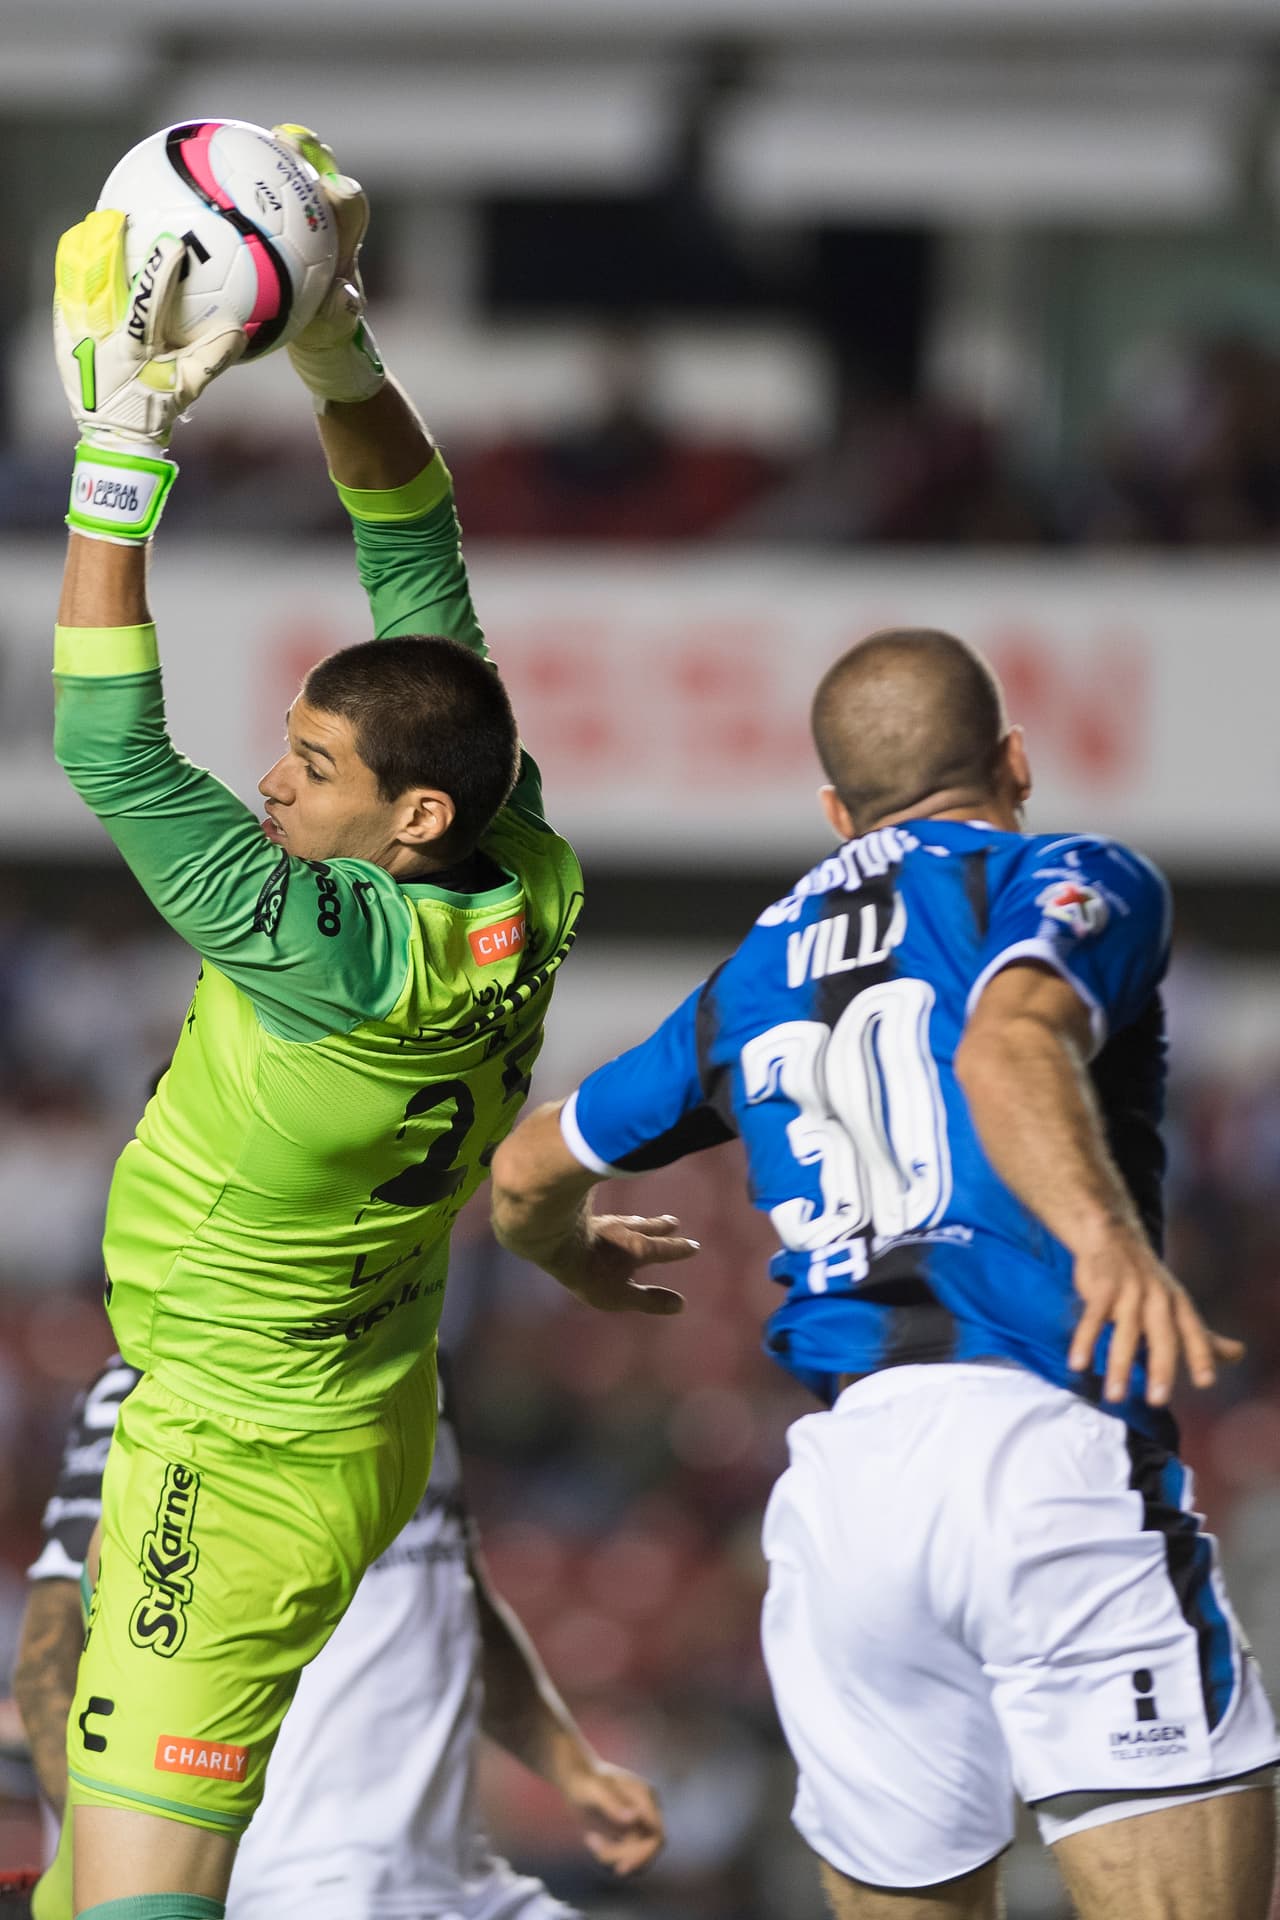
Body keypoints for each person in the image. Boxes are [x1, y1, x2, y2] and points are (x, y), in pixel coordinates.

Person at [488, 628, 1280, 1920]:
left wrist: (571, 1260)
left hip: (849, 1501)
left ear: (831, 813)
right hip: (1044, 1447)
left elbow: (524, 1175)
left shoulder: (750, 976)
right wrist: (1108, 1242)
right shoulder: (1069, 874)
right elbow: (1008, 1046)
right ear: (1015, 762)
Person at [49, 129, 583, 1919]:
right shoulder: (525, 865)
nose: (270, 787)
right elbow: (413, 551)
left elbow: (107, 749)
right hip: (374, 1416)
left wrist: (123, 449)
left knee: (133, 1900)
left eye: (313, 769)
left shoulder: (318, 949)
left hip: (232, 1449)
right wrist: (340, 345)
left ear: (408, 820)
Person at [14, 1355, 663, 1920]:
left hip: (462, 1879)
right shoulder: (154, 1377)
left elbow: (454, 1584)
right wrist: (119, 1875)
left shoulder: (419, 1365)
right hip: (294, 1881)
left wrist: (573, 1770)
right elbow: (50, 1654)